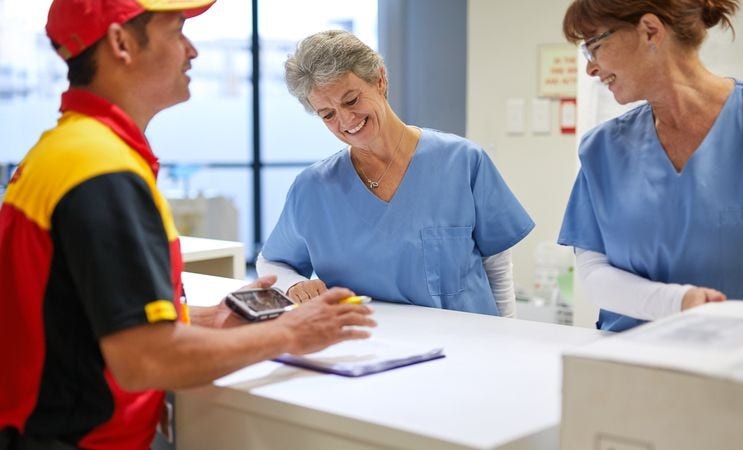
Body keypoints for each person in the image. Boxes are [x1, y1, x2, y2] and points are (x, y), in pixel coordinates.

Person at [0, 1, 375, 448]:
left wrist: (209, 320)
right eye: (177, 31)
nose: (192, 50)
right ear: (121, 43)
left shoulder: (68, 150)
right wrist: (291, 332)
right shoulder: (98, 170)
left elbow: (89, 314)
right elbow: (145, 359)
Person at [557, 0, 743, 332]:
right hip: (635, 363)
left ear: (649, 31)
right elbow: (593, 270)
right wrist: (676, 302)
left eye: (594, 46)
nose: (591, 68)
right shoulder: (602, 150)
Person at [257, 30, 534, 318]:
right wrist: (294, 284)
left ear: (380, 79)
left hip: (468, 348)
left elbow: (497, 267)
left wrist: (507, 333)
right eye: (327, 114)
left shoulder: (461, 161)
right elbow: (271, 262)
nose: (346, 120)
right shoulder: (313, 188)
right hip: (366, 350)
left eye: (351, 100)